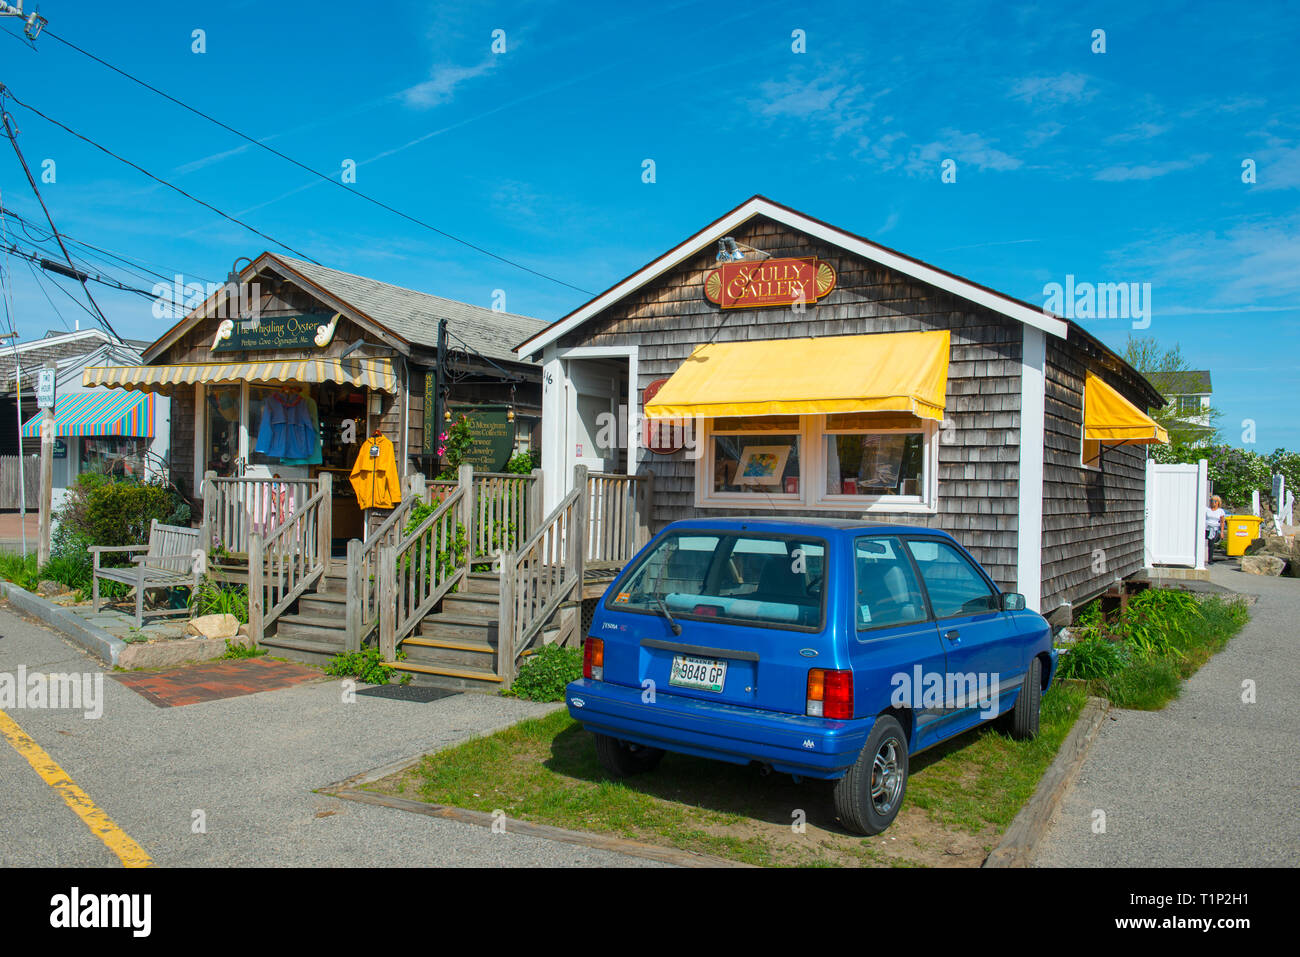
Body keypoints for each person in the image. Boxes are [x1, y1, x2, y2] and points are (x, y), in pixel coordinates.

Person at [1205, 495, 1227, 562]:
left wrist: (1222, 532)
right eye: (1211, 501)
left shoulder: (1220, 511)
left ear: (1218, 502)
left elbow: (1222, 522)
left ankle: (1210, 559)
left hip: (1214, 529)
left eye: (1214, 501)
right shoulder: (1206, 509)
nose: (1213, 502)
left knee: (1211, 544)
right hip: (1206, 528)